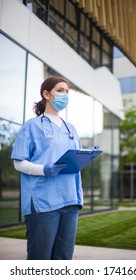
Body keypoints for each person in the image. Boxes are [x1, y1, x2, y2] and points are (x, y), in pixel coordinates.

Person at [11, 76, 83, 260]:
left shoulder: (71, 129)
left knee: (63, 259)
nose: (64, 95)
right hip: (44, 202)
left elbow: (76, 160)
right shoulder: (32, 126)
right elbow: (18, 162)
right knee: (40, 259)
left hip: (71, 200)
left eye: (67, 92)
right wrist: (44, 169)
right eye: (60, 90)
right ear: (46, 94)